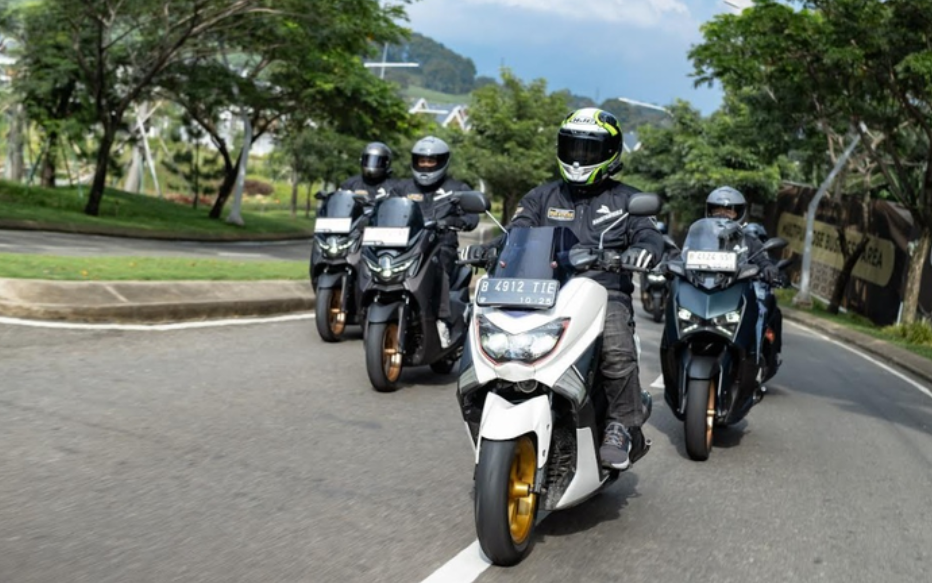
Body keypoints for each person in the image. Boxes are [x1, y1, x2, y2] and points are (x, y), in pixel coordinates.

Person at [484, 107, 663, 470]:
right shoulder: (541, 197)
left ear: (611, 153)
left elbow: (649, 235)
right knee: (493, 334)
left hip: (602, 293)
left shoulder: (627, 201)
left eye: (589, 149)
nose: (579, 158)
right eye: (572, 147)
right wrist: (488, 249)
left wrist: (643, 250)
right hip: (541, 291)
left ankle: (622, 425)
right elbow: (516, 233)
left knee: (616, 349)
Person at [390, 136, 478, 348]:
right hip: (405, 246)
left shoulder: (457, 188)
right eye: (422, 160)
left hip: (441, 246)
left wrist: (455, 221)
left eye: (431, 161)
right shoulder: (402, 188)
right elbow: (386, 209)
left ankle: (443, 320)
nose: (426, 165)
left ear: (442, 161)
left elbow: (472, 216)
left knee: (439, 267)